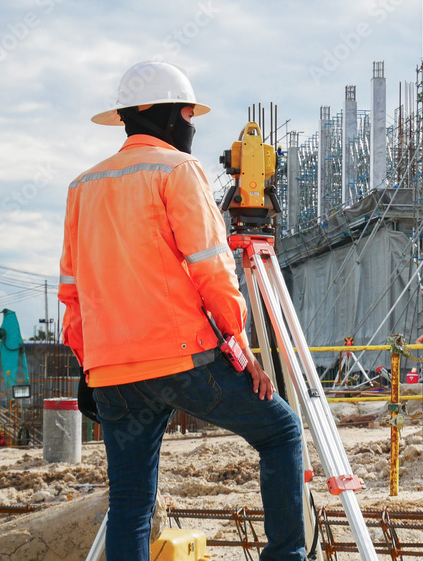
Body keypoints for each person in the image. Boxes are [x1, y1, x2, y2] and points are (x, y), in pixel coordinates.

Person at [58, 61, 304, 561]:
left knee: (130, 501)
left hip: (111, 372)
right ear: (167, 116)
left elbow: (72, 292)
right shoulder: (178, 170)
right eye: (188, 114)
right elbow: (212, 271)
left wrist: (89, 364)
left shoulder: (81, 187)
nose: (192, 125)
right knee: (281, 432)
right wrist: (240, 349)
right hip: (182, 360)